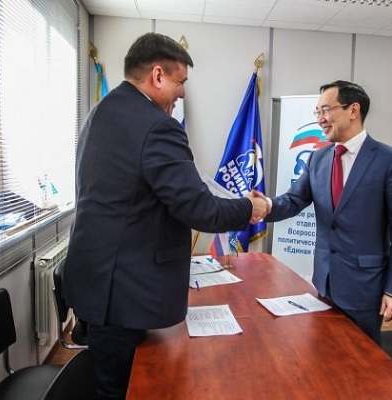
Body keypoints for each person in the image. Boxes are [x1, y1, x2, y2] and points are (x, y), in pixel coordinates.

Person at [62, 32, 268, 400]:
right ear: (157, 75)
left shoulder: (102, 113)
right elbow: (199, 209)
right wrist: (248, 208)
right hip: (125, 291)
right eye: (180, 81)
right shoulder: (156, 125)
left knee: (111, 382)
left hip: (100, 284)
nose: (183, 93)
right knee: (124, 389)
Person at [256, 80, 392, 345]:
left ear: (353, 110)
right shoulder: (317, 158)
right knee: (323, 352)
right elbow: (294, 199)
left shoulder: (389, 161)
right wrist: (266, 206)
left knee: (362, 358)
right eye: (317, 112)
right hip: (324, 282)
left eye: (325, 110)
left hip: (364, 288)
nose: (320, 119)